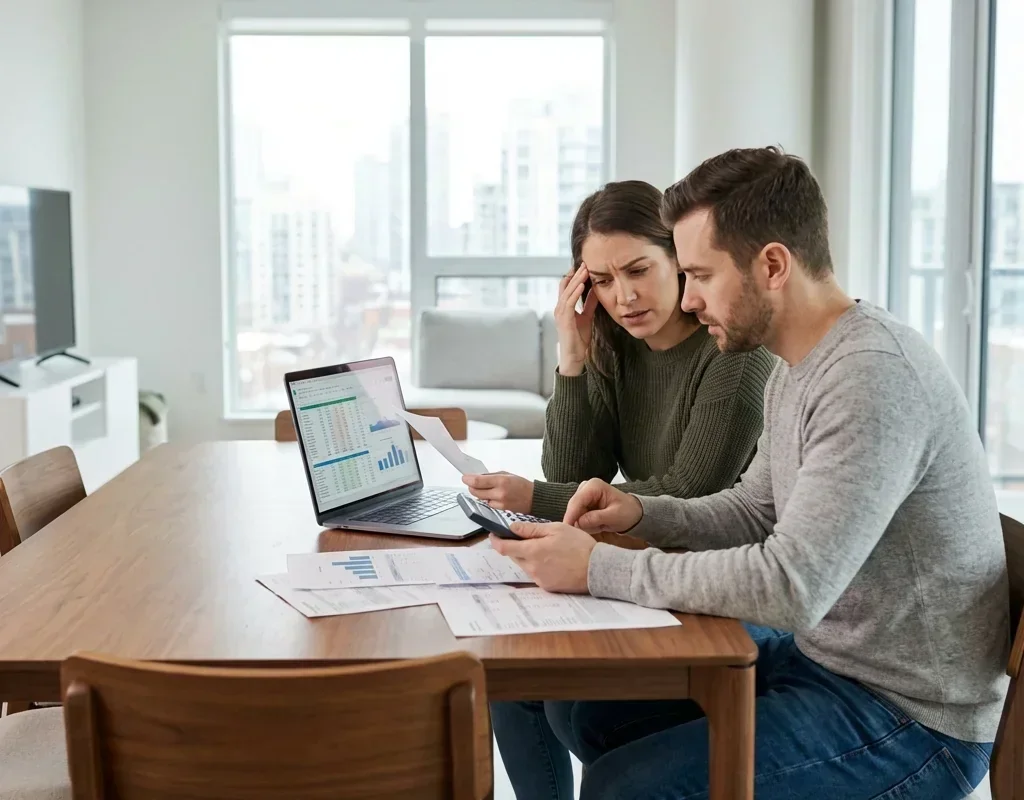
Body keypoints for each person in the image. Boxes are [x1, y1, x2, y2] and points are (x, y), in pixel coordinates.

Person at [490, 146, 1010, 800]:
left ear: (771, 265)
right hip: (824, 664)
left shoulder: (872, 377)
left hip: (907, 717)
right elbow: (751, 511)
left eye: (701, 274)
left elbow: (791, 584)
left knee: (625, 787)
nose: (692, 295)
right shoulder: (799, 364)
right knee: (590, 713)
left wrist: (599, 567)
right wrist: (641, 513)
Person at [466, 180, 776, 800]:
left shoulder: (735, 354)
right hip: (643, 560)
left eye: (639, 270)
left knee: (564, 704)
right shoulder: (615, 345)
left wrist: (533, 500)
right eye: (602, 281)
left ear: (680, 262)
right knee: (513, 681)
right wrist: (573, 355)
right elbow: (575, 477)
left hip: (712, 580)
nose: (623, 296)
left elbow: (691, 491)